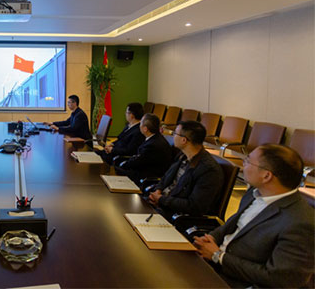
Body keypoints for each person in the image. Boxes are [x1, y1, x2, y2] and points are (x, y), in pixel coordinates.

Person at [194, 144, 314, 288]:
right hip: (215, 264)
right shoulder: (254, 193)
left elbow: (278, 278)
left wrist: (218, 256)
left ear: (266, 176)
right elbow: (232, 225)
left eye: (248, 161)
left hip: (238, 281)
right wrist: (211, 238)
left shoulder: (301, 223)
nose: (243, 164)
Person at [147, 120, 223, 218]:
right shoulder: (183, 156)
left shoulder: (209, 170)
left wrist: (161, 199)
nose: (173, 136)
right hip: (162, 204)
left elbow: (194, 206)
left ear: (184, 140)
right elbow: (166, 177)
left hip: (174, 215)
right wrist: (158, 191)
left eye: (175, 133)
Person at [113, 113, 173, 184]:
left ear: (145, 129)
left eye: (141, 123)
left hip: (144, 178)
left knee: (112, 171)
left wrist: (124, 164)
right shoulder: (155, 138)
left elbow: (137, 162)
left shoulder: (152, 145)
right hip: (142, 171)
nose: (139, 125)